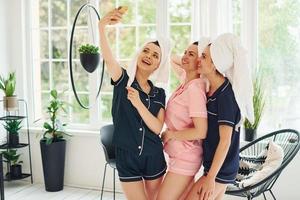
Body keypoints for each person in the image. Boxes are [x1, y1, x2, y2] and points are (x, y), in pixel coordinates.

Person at [98, 8, 171, 200]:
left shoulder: (160, 94)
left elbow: (157, 127)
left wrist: (138, 103)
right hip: (126, 156)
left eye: (155, 55)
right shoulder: (122, 79)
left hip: (153, 155)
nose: (149, 56)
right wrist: (101, 27)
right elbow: (108, 57)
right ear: (139, 55)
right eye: (146, 50)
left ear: (158, 65)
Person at [186, 33, 254, 200]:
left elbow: (225, 142)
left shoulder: (226, 96)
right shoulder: (212, 89)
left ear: (215, 64)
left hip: (220, 170)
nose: (198, 60)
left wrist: (210, 178)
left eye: (203, 56)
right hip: (216, 167)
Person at [157, 38, 211, 200]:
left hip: (186, 158)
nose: (185, 56)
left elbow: (201, 131)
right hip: (179, 155)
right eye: (185, 52)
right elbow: (173, 59)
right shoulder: (186, 82)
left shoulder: (194, 89)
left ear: (200, 61)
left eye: (191, 54)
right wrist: (189, 60)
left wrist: (171, 135)